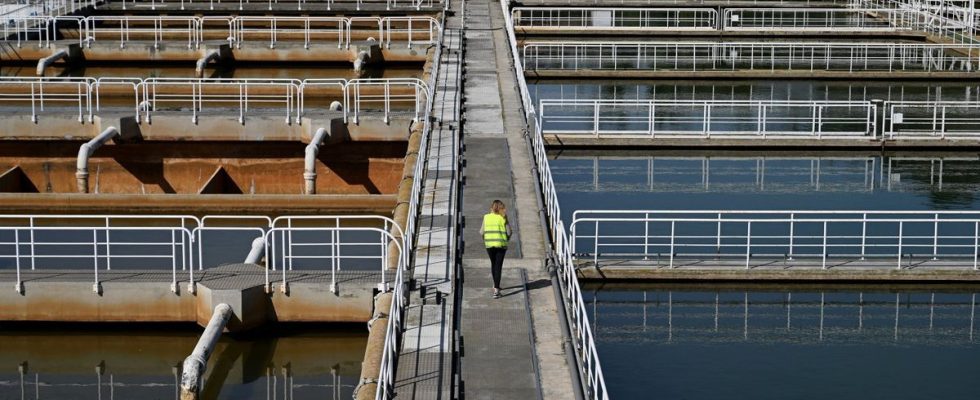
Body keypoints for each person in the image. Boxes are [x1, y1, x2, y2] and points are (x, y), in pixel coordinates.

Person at [480, 199, 512, 298]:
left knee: (493, 264)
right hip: (501, 245)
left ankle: (495, 285)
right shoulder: (503, 218)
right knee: (498, 266)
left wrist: (486, 239)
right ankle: (496, 290)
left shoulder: (486, 217)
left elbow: (481, 232)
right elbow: (509, 232)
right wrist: (506, 239)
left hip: (489, 245)